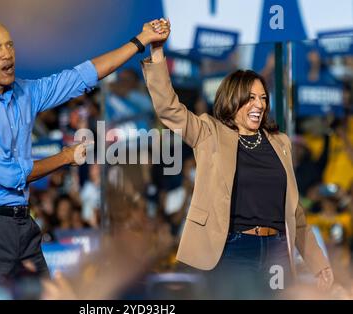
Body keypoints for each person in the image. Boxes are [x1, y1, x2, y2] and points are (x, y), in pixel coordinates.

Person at [0, 19, 168, 288]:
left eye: (9, 45)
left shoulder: (26, 93)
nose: (7, 54)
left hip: (22, 225)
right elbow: (10, 174)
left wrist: (140, 40)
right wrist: (66, 157)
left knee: (50, 294)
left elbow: (83, 75)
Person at [141, 19, 334, 299]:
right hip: (232, 250)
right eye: (251, 98)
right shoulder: (209, 132)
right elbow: (169, 109)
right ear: (234, 99)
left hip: (277, 251)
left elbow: (295, 213)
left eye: (263, 98)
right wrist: (157, 54)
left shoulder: (279, 143)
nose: (259, 104)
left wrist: (319, 264)